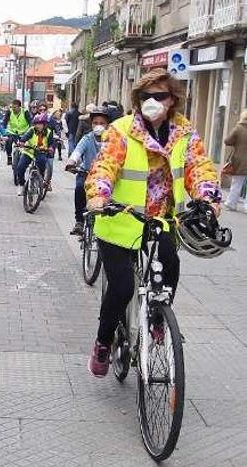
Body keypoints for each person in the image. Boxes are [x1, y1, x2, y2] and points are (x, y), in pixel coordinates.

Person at [85, 69, 222, 377]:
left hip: (159, 218)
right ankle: (103, 342)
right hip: (119, 218)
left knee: (170, 264)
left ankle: (158, 320)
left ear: (172, 99)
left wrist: (209, 197)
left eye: (159, 96)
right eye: (146, 97)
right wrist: (98, 194)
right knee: (121, 287)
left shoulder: (184, 133)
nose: (152, 102)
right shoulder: (120, 130)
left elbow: (198, 167)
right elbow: (105, 165)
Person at [65, 105, 112, 235]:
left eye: (102, 123)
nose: (98, 125)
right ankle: (79, 222)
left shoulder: (113, 140)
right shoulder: (87, 138)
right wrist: (71, 162)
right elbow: (77, 151)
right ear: (91, 124)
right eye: (95, 123)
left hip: (106, 177)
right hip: (86, 173)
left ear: (108, 125)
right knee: (79, 187)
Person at [14, 114, 56, 196]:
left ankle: (39, 181)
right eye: (36, 124)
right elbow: (25, 137)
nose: (38, 126)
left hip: (41, 152)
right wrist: (22, 142)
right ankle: (22, 185)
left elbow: (51, 143)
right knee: (20, 168)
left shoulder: (49, 132)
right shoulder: (32, 130)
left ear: (44, 124)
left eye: (40, 124)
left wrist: (51, 148)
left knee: (42, 164)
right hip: (29, 152)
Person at [223, 110, 247, 212]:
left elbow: (227, 141)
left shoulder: (238, 128)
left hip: (239, 161)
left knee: (237, 183)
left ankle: (231, 204)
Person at [2, 99, 32, 165]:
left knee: (26, 145)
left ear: (19, 107)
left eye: (15, 107)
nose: (13, 109)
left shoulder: (25, 112)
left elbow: (30, 122)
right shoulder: (9, 112)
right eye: (12, 107)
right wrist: (3, 131)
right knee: (8, 141)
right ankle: (9, 156)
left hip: (24, 132)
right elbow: (4, 122)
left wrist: (30, 130)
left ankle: (27, 158)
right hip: (12, 132)